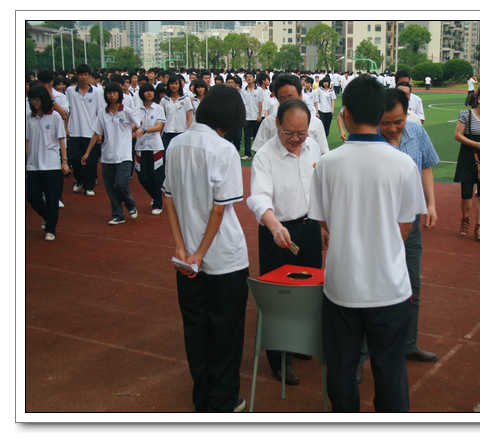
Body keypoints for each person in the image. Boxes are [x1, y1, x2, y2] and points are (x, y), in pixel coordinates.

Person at [308, 74, 425, 412]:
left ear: (344, 113)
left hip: (341, 287)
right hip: (389, 286)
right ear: (379, 114)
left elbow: (323, 220)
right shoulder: (403, 164)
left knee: (341, 368)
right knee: (390, 369)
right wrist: (382, 245)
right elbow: (406, 223)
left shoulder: (327, 163)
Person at [162, 84, 249, 413]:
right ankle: (221, 404)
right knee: (226, 334)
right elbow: (219, 209)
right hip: (224, 259)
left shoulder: (175, 144)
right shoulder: (224, 149)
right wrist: (199, 253)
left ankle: (203, 401)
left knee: (196, 332)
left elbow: (168, 199)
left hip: (186, 260)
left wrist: (182, 248)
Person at [246, 99, 329, 386]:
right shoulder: (265, 156)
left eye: (302, 133)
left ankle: (301, 343)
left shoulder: (313, 147)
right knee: (279, 299)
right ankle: (280, 359)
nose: (296, 138)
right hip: (278, 232)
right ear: (277, 124)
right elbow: (259, 197)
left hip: (310, 228)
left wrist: (322, 225)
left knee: (309, 293)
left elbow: (317, 189)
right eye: (289, 132)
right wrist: (274, 225)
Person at [360, 88, 439, 379]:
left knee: (411, 285)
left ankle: (408, 343)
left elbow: (426, 166)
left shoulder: (416, 132)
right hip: (378, 224)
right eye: (385, 123)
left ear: (408, 114)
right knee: (370, 287)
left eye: (398, 121)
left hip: (410, 222)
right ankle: (360, 357)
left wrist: (430, 204)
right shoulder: (367, 142)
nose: (392, 128)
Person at [80, 83, 141, 225]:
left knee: (120, 184)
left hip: (124, 155)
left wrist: (132, 130)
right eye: (109, 93)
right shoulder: (102, 112)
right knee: (110, 188)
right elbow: (96, 133)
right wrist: (87, 152)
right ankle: (118, 215)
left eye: (114, 92)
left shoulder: (126, 111)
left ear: (119, 94)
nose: (112, 95)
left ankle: (130, 203)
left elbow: (139, 123)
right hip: (107, 156)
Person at [453, 84, 480, 243]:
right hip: (467, 157)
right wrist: (474, 144)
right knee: (466, 196)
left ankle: (479, 227)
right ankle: (465, 219)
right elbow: (458, 135)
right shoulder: (466, 114)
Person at [26, 85, 69, 241]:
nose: (34, 102)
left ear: (44, 99)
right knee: (32, 197)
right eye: (32, 99)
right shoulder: (28, 117)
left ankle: (51, 229)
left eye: (37, 99)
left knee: (52, 199)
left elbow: (61, 139)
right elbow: (26, 140)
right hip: (33, 165)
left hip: (51, 164)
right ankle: (47, 216)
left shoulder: (55, 116)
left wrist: (64, 161)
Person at [252, 74, 329, 154]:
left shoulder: (315, 123)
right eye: (282, 99)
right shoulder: (268, 123)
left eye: (291, 97)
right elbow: (259, 152)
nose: (287, 102)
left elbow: (323, 153)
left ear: (300, 96)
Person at [67, 64, 105, 197]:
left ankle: (89, 185)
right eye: (81, 74)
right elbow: (68, 110)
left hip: (91, 132)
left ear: (89, 76)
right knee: (74, 158)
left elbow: (100, 113)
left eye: (86, 75)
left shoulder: (97, 92)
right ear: (77, 75)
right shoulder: (70, 91)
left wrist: (100, 133)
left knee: (91, 161)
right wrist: (67, 128)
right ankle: (80, 180)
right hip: (75, 130)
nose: (83, 77)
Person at [133, 82, 166, 215]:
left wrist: (144, 130)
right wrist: (132, 131)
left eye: (151, 91)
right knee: (142, 176)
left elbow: (159, 127)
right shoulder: (136, 109)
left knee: (157, 176)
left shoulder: (158, 108)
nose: (149, 93)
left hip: (155, 147)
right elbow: (133, 125)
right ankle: (156, 196)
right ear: (142, 94)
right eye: (146, 91)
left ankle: (158, 204)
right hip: (141, 146)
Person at [160, 75, 193, 154]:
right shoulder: (164, 100)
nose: (174, 86)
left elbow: (189, 116)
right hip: (167, 132)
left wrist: (189, 131)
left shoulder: (185, 99)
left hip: (181, 131)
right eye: (171, 84)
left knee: (180, 155)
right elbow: (161, 117)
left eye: (176, 83)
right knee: (167, 155)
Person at [240, 71, 263, 160]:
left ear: (254, 78)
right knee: (247, 136)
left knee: (257, 136)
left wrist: (259, 115)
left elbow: (260, 103)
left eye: (250, 77)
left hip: (256, 116)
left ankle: (257, 153)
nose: (249, 78)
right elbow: (243, 104)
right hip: (247, 117)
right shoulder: (243, 91)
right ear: (245, 79)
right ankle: (247, 154)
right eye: (247, 77)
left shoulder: (259, 90)